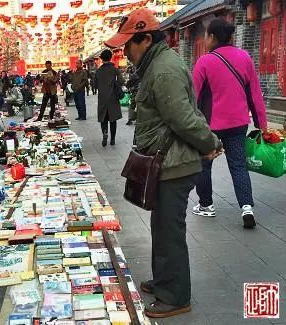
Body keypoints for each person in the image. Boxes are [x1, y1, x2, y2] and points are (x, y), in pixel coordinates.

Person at [105, 8, 223, 318]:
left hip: (174, 163)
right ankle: (164, 281)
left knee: (169, 230)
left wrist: (211, 143)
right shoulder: (155, 64)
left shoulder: (163, 70)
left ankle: (175, 295)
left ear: (144, 39)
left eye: (127, 45)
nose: (125, 52)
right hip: (164, 161)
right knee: (161, 227)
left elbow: (184, 118)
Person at [191, 18, 267, 228]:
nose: (205, 39)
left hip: (210, 127)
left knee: (204, 164)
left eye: (206, 35)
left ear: (212, 37)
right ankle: (246, 207)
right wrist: (261, 124)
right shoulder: (244, 57)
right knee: (238, 165)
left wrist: (189, 125)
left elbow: (193, 97)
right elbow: (254, 95)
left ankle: (206, 205)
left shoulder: (204, 62)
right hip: (238, 124)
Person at [95, 49, 124, 147]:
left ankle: (105, 133)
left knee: (103, 119)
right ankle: (112, 139)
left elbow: (94, 85)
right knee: (113, 119)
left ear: (102, 59)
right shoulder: (115, 69)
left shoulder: (98, 71)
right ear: (110, 57)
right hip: (113, 98)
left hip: (102, 98)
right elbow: (121, 81)